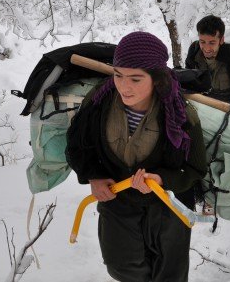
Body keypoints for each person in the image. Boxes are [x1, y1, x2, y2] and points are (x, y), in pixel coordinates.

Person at [66, 31, 207, 282]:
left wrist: (162, 179)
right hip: (118, 199)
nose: (124, 86)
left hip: (168, 206)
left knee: (169, 275)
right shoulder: (99, 101)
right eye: (118, 75)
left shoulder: (180, 115)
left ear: (157, 78)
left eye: (135, 79)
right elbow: (77, 145)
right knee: (120, 267)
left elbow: (195, 169)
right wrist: (94, 176)